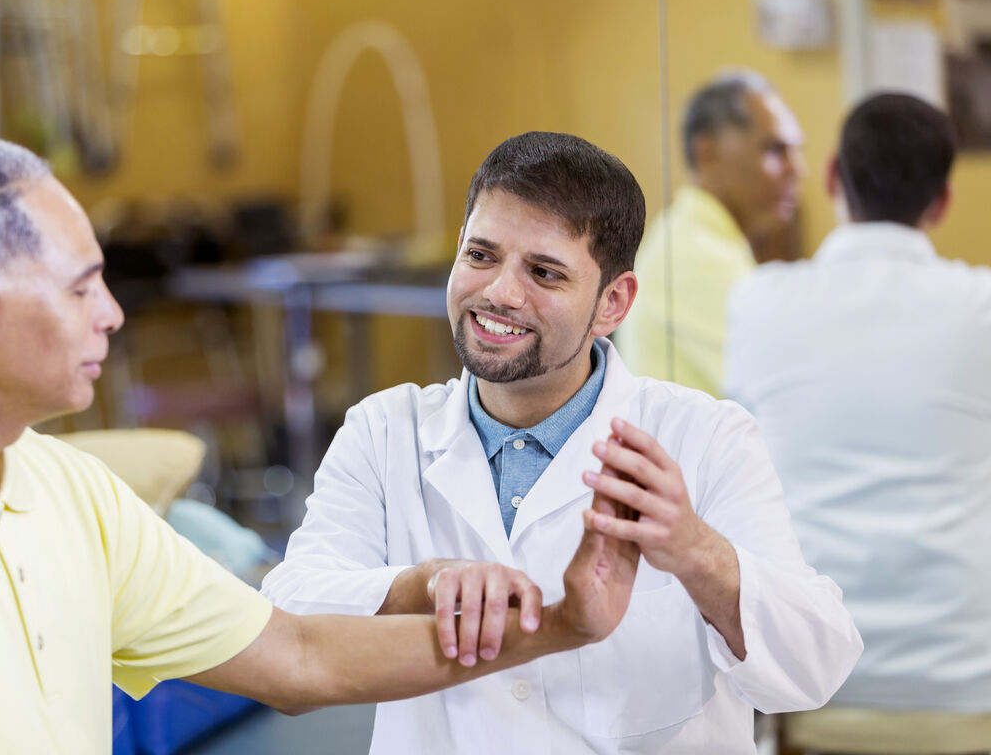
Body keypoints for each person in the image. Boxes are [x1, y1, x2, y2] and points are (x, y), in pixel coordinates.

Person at [0, 136, 642, 754]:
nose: (112, 315)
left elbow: (297, 656)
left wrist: (563, 627)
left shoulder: (62, 488)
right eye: (82, 287)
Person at [262, 131, 861, 754]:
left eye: (544, 272)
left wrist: (694, 551)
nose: (500, 292)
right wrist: (423, 586)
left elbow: (814, 668)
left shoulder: (705, 439)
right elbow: (285, 636)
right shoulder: (383, 432)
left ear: (613, 303)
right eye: (480, 255)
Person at [726, 93, 991, 713]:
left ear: (832, 177)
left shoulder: (759, 302)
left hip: (807, 678)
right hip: (969, 679)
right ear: (943, 201)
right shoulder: (982, 306)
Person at [615, 70, 805, 397]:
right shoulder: (695, 255)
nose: (798, 169)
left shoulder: (706, 240)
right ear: (707, 152)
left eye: (795, 151)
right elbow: (782, 397)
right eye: (776, 150)